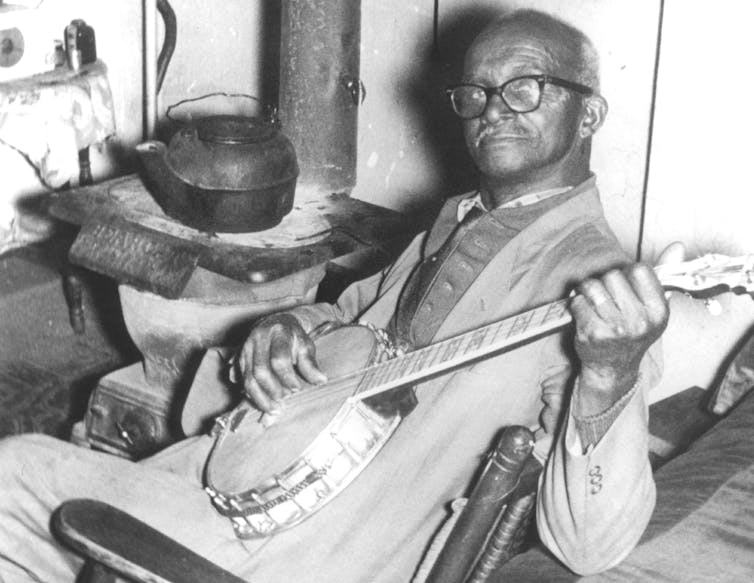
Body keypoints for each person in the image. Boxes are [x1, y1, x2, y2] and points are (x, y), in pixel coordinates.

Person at [0, 9, 668, 582]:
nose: (494, 108)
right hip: (245, 479)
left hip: (304, 550)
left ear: (590, 114)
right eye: (477, 92)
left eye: (526, 87)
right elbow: (349, 316)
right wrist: (286, 326)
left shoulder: (600, 291)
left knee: (15, 477)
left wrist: (610, 377)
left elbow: (592, 544)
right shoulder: (465, 215)